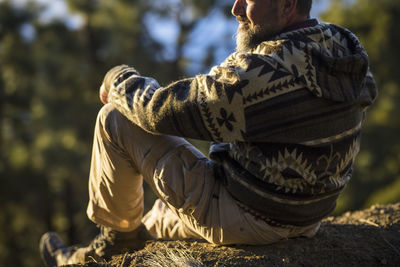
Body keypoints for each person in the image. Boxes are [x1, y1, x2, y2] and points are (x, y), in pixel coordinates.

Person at [40, 0, 378, 266]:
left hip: (249, 215)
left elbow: (158, 110)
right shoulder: (345, 49)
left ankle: (115, 241)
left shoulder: (264, 71)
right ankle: (76, 257)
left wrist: (118, 79)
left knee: (115, 117)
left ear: (286, 4)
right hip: (308, 215)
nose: (235, 9)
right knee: (158, 219)